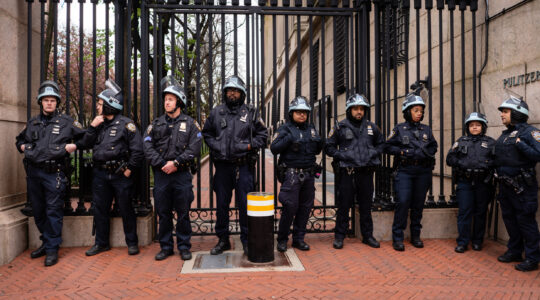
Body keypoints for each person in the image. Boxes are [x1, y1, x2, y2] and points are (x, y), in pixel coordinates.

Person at [15, 80, 88, 266]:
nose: (49, 103)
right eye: (46, 100)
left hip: (53, 174)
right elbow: (19, 140)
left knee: (53, 211)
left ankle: (52, 249)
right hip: (34, 174)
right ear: (41, 102)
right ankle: (47, 242)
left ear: (57, 103)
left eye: (52, 100)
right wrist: (22, 146)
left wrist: (74, 146)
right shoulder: (32, 123)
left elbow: (86, 138)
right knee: (38, 212)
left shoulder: (67, 122)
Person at [202, 75, 268, 255]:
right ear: (225, 93)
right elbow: (206, 133)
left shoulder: (251, 113)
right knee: (222, 204)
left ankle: (246, 239)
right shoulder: (216, 112)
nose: (233, 93)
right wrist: (217, 146)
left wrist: (249, 145)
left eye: (236, 91)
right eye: (230, 90)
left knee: (244, 204)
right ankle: (223, 239)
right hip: (223, 167)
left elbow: (263, 135)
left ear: (242, 94)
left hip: (243, 167)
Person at [143, 76, 202, 261]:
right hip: (161, 174)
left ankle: (184, 246)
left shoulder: (191, 124)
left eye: (170, 99)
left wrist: (176, 163)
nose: (166, 102)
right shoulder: (156, 124)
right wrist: (162, 164)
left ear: (179, 101)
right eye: (165, 99)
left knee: (183, 212)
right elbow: (146, 145)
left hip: (181, 174)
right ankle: (166, 246)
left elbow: (195, 147)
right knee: (163, 212)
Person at [82, 81, 143, 257]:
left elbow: (138, 150)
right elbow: (85, 143)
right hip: (100, 174)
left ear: (109, 104)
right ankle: (101, 243)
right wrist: (92, 127)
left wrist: (129, 169)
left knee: (126, 208)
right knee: (100, 209)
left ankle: (132, 242)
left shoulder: (126, 124)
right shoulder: (98, 124)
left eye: (100, 103)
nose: (97, 106)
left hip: (120, 174)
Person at [326, 94, 384, 250]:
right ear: (349, 110)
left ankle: (367, 236)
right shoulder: (340, 127)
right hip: (348, 173)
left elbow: (381, 144)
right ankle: (339, 236)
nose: (359, 112)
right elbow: (329, 147)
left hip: (366, 172)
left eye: (362, 109)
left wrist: (373, 153)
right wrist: (341, 155)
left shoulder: (372, 127)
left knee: (366, 206)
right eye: (356, 109)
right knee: (344, 205)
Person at [384, 93, 438, 251]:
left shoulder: (426, 129)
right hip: (405, 171)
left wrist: (427, 152)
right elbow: (387, 146)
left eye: (421, 110)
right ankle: (398, 237)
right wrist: (401, 152)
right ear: (408, 111)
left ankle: (416, 235)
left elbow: (434, 146)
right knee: (403, 201)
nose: (419, 113)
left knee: (418, 204)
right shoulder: (399, 129)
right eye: (416, 110)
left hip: (423, 171)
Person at [270, 96, 322, 252]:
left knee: (305, 207)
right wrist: (289, 140)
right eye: (298, 112)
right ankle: (282, 239)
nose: (302, 115)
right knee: (290, 207)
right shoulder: (285, 129)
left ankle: (299, 239)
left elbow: (317, 149)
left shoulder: (311, 129)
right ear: (291, 113)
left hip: (308, 174)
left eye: (305, 112)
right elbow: (274, 147)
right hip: (292, 175)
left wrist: (320, 142)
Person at [494, 96, 540, 272]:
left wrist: (522, 146)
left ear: (517, 113)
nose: (502, 115)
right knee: (510, 220)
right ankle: (514, 251)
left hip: (523, 188)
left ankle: (533, 257)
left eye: (505, 112)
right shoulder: (505, 135)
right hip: (506, 186)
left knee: (525, 221)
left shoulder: (530, 132)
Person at [446, 112, 495, 253]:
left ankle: (477, 241)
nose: (474, 127)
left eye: (478, 125)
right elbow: (449, 159)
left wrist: (486, 164)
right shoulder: (461, 141)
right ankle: (462, 242)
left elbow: (497, 160)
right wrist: (462, 163)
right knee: (464, 212)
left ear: (483, 127)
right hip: (465, 182)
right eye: (472, 125)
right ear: (468, 127)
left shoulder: (491, 142)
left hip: (483, 183)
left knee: (480, 212)